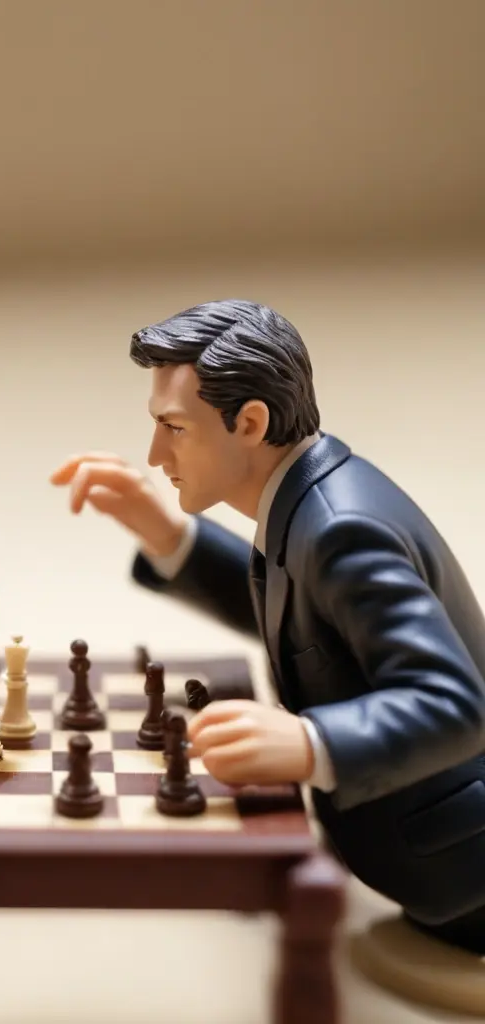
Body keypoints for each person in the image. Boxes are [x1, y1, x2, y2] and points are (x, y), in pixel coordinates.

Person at [51, 298, 485, 954]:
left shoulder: (341, 530)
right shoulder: (310, 501)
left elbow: (455, 705)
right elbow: (305, 624)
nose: (155, 454)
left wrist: (311, 742)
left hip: (463, 876)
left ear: (250, 422)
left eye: (174, 428)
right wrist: (169, 536)